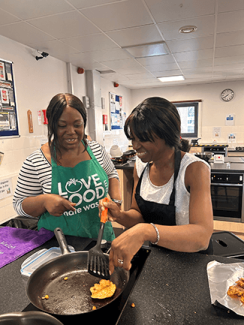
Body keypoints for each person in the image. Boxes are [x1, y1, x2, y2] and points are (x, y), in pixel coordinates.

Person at [101, 97, 213, 273]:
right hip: (157, 256)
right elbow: (138, 214)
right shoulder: (141, 166)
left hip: (192, 261)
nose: (135, 146)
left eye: (143, 139)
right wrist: (120, 215)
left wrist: (146, 231)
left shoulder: (194, 169)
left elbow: (202, 236)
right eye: (133, 138)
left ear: (167, 135)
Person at [13, 93, 122, 241]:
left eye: (77, 125)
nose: (71, 131)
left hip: (100, 238)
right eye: (62, 126)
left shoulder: (96, 150)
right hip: (58, 246)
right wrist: (44, 201)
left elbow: (112, 174)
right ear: (51, 124)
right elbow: (19, 204)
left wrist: (116, 202)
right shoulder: (36, 162)